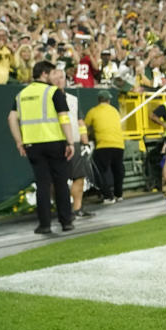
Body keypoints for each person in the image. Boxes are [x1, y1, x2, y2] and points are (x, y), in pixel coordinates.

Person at [7, 60, 75, 234]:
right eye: (53, 74)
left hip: (32, 144)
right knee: (60, 183)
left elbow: (11, 118)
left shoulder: (21, 94)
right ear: (45, 74)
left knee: (42, 184)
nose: (56, 77)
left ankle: (44, 225)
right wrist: (70, 142)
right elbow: (64, 118)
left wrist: (19, 141)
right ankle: (66, 221)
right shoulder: (54, 92)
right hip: (54, 142)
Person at [50, 67, 95, 219]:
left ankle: (77, 208)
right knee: (57, 179)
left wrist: (85, 142)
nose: (58, 80)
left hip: (74, 142)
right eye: (55, 78)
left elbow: (80, 121)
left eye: (61, 77)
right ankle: (62, 208)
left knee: (79, 177)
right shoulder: (47, 99)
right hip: (56, 142)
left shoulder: (72, 99)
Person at [85, 90, 125, 204]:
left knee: (98, 170)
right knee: (118, 170)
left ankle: (108, 196)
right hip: (119, 144)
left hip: (103, 144)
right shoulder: (115, 111)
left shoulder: (93, 111)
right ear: (108, 100)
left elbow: (85, 127)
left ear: (98, 100)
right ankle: (119, 194)